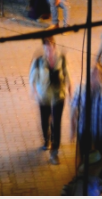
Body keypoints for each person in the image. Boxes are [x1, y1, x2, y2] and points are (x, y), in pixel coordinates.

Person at [29, 36, 70, 164]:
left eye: (50, 48)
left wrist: (70, 87)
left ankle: (54, 152)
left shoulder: (61, 59)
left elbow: (66, 74)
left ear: (54, 47)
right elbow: (32, 78)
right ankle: (46, 139)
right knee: (45, 120)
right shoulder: (38, 61)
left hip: (59, 95)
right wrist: (35, 91)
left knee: (56, 123)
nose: (48, 51)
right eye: (46, 49)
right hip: (44, 96)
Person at [70, 62, 102, 161]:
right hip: (84, 130)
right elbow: (73, 110)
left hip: (101, 130)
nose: (95, 77)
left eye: (98, 74)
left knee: (101, 157)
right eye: (93, 73)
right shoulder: (80, 88)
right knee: (84, 158)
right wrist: (73, 128)